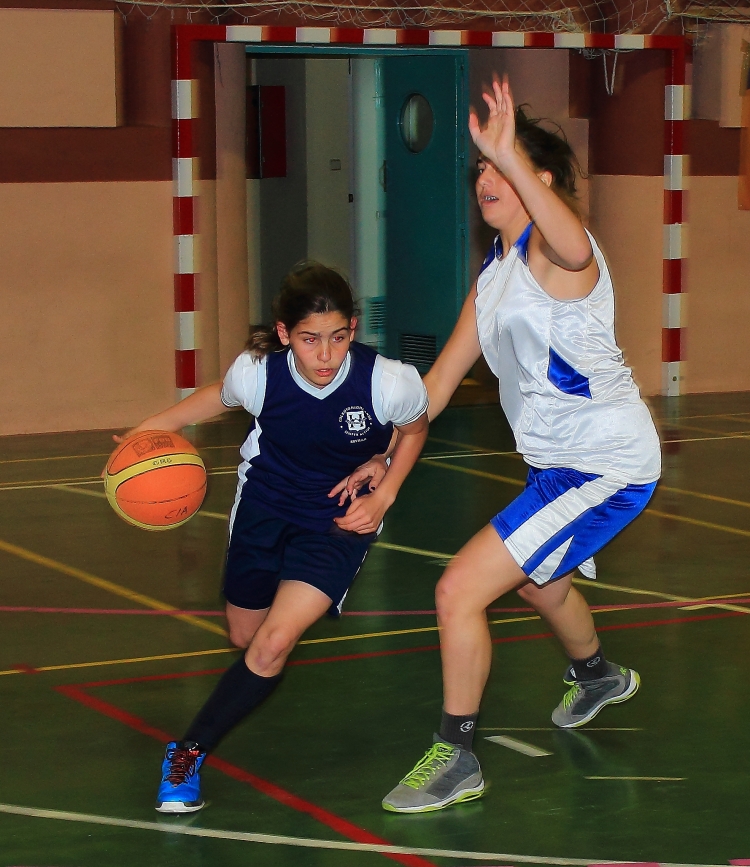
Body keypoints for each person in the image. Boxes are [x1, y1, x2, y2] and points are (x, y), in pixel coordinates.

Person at [377, 78, 661, 813]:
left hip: (605, 464)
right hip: (556, 468)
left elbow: (571, 241)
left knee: (457, 590)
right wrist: (382, 453)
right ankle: (596, 674)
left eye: (502, 167)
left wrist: (508, 150)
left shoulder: (560, 257)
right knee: (540, 582)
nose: (485, 179)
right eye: (481, 168)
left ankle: (457, 755)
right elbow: (436, 387)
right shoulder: (495, 279)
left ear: (543, 183)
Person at [114, 262, 428, 813]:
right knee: (246, 637)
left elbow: (415, 428)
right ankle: (254, 665)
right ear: (284, 334)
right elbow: (219, 397)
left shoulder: (389, 382)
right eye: (310, 340)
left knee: (273, 643)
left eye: (338, 338)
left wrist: (384, 488)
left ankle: (187, 753)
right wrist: (149, 430)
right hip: (265, 505)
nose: (325, 355)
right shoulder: (258, 374)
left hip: (337, 518)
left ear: (353, 329)